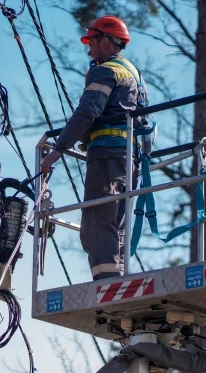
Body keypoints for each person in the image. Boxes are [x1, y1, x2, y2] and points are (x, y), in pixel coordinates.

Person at [40, 15, 149, 281]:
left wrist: (58, 149)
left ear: (105, 41)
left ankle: (106, 286)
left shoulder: (107, 70)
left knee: (97, 223)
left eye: (91, 42)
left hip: (107, 158)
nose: (89, 50)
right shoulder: (133, 74)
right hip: (128, 160)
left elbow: (88, 111)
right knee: (115, 224)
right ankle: (117, 280)